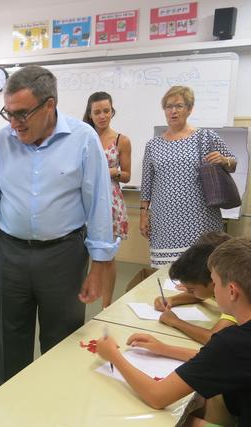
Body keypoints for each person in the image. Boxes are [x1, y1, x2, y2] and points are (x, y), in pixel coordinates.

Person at [0, 65, 117, 387]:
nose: (14, 123)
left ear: (50, 105)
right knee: (10, 339)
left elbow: (98, 205)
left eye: (22, 114)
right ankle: (9, 404)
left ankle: (58, 404)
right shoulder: (1, 142)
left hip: (63, 255)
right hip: (10, 253)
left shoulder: (83, 139)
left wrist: (98, 267)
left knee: (62, 341)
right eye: (8, 113)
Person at [97, 237, 251, 427]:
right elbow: (219, 358)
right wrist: (163, 349)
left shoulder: (232, 342)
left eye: (215, 283)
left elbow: (157, 396)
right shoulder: (233, 345)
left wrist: (113, 356)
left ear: (232, 291)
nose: (213, 290)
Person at [140, 85, 236, 268]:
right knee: (167, 273)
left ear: (190, 109)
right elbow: (147, 184)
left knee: (202, 269)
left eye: (179, 106)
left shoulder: (206, 137)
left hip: (201, 217)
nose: (173, 111)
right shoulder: (153, 145)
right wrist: (143, 214)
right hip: (164, 219)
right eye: (168, 106)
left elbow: (233, 163)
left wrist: (224, 160)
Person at [83, 91, 132, 308]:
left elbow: (127, 175)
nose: (102, 116)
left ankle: (107, 305)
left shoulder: (122, 140)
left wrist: (108, 171)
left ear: (112, 111)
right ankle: (79, 298)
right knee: (80, 253)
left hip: (111, 201)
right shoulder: (84, 137)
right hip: (85, 199)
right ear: (90, 114)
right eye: (97, 112)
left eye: (106, 111)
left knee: (107, 254)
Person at [153, 231, 234, 344]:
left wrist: (175, 322)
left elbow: (214, 339)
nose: (188, 292)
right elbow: (202, 294)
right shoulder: (220, 282)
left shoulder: (235, 297)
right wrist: (171, 300)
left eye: (191, 289)